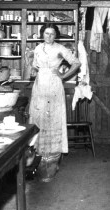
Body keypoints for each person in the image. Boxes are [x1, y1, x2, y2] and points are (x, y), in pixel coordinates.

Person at [29, 23, 81, 182]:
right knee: (38, 119)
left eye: (52, 34)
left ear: (56, 35)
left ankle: (52, 162)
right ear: (42, 34)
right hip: (39, 88)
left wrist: (63, 76)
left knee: (53, 121)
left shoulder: (60, 49)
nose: (49, 36)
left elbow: (76, 63)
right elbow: (34, 68)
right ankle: (38, 159)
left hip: (54, 87)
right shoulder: (38, 48)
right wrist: (30, 63)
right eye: (46, 33)